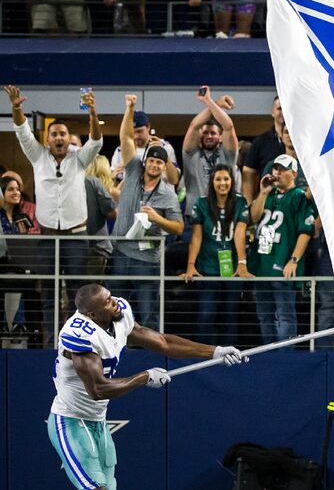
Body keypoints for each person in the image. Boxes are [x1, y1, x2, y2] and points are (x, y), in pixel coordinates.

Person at [48, 283, 244, 490]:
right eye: (107, 302)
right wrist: (144, 377)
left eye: (110, 296)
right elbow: (98, 390)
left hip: (98, 420)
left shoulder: (118, 315)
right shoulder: (79, 334)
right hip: (71, 420)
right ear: (93, 315)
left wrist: (215, 351)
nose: (114, 302)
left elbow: (163, 342)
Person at [6, 85, 102, 341]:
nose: (58, 138)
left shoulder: (79, 159)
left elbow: (95, 140)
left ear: (69, 137)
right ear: (47, 139)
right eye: (54, 134)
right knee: (48, 294)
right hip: (47, 238)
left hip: (76, 237)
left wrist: (92, 112)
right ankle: (52, 343)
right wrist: (16, 108)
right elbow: (22, 131)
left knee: (78, 295)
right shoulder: (38, 157)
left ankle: (78, 341)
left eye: (62, 134)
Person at [110, 94, 184, 330]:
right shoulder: (132, 172)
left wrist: (157, 219)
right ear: (146, 161)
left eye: (159, 163)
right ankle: (116, 353)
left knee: (150, 314)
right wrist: (129, 108)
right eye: (151, 161)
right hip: (121, 252)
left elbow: (179, 227)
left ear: (164, 167)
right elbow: (126, 137)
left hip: (147, 260)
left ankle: (151, 359)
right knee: (113, 314)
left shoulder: (168, 193)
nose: (154, 165)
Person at [180, 163, 252, 344]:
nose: (222, 183)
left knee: (230, 314)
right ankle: (202, 355)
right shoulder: (202, 203)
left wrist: (242, 263)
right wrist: (191, 265)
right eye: (218, 179)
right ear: (212, 181)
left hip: (233, 269)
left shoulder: (240, 202)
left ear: (232, 181)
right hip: (208, 267)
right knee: (206, 314)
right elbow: (196, 237)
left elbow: (240, 233)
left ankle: (230, 357)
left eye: (226, 179)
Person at [249, 154, 314, 346]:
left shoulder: (298, 197)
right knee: (264, 315)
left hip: (282, 264)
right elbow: (253, 218)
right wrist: (262, 192)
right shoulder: (267, 194)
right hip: (262, 265)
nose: (277, 172)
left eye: (282, 169)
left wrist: (293, 260)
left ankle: (285, 357)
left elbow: (305, 231)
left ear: (293, 173)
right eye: (275, 168)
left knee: (285, 315)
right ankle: (267, 354)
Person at [182, 86, 239, 222]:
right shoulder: (191, 154)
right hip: (195, 216)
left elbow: (228, 127)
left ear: (220, 137)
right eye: (205, 132)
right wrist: (215, 104)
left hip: (223, 215)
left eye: (213, 133)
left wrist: (209, 101)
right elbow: (194, 126)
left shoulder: (227, 155)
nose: (209, 136)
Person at [0, 175, 39, 338]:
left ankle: (26, 327)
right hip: (2, 264)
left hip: (18, 266)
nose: (16, 193)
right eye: (10, 189)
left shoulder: (21, 217)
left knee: (32, 283)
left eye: (17, 189)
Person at [110, 110, 179, 185]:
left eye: (139, 131)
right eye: (133, 132)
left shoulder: (165, 147)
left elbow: (174, 180)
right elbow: (114, 182)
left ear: (148, 126)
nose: (136, 136)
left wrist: (163, 154)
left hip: (161, 195)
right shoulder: (121, 151)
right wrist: (113, 176)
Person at [242, 95, 285, 204]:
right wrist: (249, 205)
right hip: (268, 203)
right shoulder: (260, 142)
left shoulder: (301, 142)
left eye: (286, 108)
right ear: (273, 112)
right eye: (279, 108)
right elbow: (248, 174)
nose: (283, 112)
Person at [84, 158, 118, 278]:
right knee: (93, 292)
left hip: (75, 248)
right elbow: (112, 213)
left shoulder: (73, 184)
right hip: (97, 248)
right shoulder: (95, 184)